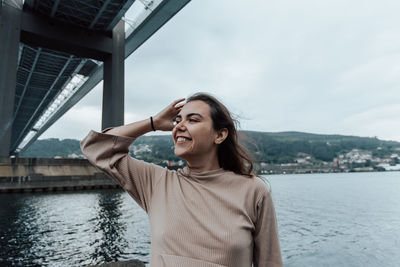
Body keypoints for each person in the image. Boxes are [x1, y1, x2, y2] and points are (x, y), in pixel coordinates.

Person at [80, 93, 283, 267]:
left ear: (220, 135)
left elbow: (270, 262)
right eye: (178, 121)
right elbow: (96, 148)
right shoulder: (156, 182)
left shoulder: (253, 190)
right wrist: (154, 123)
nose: (179, 127)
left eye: (192, 120)